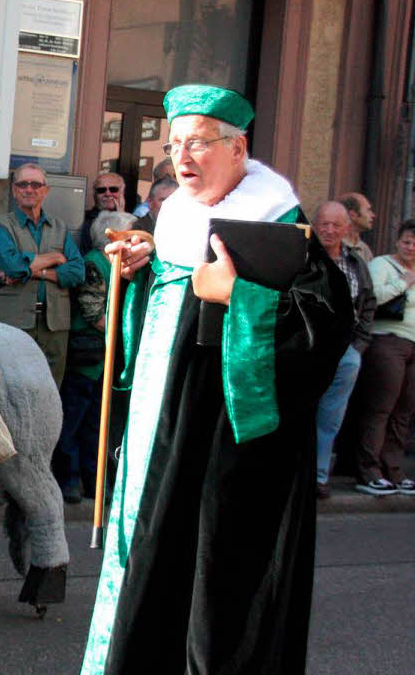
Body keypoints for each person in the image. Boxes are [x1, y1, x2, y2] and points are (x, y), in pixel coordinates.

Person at [81, 85, 351, 675]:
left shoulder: (280, 223)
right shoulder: (174, 217)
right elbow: (169, 317)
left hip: (230, 452)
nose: (183, 157)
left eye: (199, 143)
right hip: (163, 434)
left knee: (213, 581)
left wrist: (239, 296)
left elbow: (326, 327)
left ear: (238, 148)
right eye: (175, 143)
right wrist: (143, 266)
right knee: (154, 561)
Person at [53, 210, 135, 505]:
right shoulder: (94, 264)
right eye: (130, 234)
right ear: (112, 236)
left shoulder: (122, 266)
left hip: (105, 356)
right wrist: (125, 333)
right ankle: (69, 480)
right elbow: (92, 311)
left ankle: (94, 482)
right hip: (88, 354)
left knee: (96, 423)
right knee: (74, 418)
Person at [0, 164, 84, 386]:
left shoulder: (59, 227)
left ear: (46, 190)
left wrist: (35, 272)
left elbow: (77, 272)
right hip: (14, 322)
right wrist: (54, 258)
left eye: (35, 184)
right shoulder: (1, 227)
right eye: (22, 184)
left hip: (54, 326)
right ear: (14, 190)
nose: (29, 189)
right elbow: (12, 267)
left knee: (50, 388)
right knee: (10, 387)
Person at [310, 202, 375, 499]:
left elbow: (368, 302)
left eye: (336, 225)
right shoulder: (304, 257)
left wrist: (359, 346)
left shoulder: (355, 262)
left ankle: (319, 477)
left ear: (347, 229)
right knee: (301, 411)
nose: (329, 230)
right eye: (323, 223)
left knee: (330, 417)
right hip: (308, 348)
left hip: (345, 351)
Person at [353, 219, 415, 496]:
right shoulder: (381, 265)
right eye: (407, 241)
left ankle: (395, 471)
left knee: (404, 411)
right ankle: (369, 471)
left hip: (413, 344)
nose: (411, 247)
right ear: (397, 241)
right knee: (381, 408)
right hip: (387, 340)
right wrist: (402, 282)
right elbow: (373, 298)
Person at [79, 171, 125, 255]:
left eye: (113, 189)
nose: (107, 193)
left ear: (122, 192)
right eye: (101, 190)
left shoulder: (133, 221)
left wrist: (121, 216)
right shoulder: (83, 220)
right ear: (95, 194)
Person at [338, 191, 375, 263]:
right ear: (353, 215)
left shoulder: (365, 250)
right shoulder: (333, 244)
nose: (373, 215)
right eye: (368, 210)